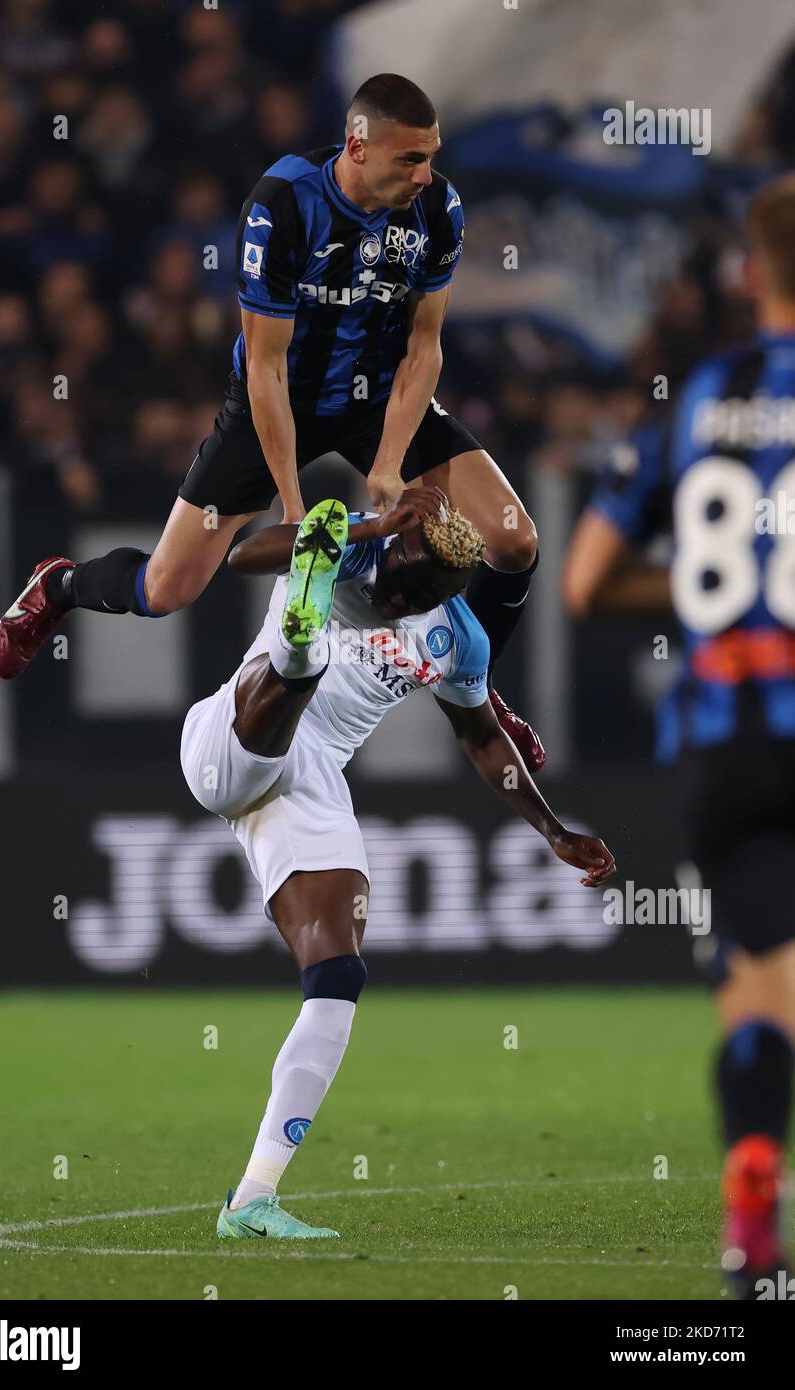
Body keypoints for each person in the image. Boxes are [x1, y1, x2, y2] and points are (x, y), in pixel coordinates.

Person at [0, 72, 543, 767]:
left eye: (431, 155)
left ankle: (481, 697)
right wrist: (291, 501)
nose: (426, 175)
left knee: (515, 540)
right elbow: (267, 368)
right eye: (411, 158)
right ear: (358, 146)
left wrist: (389, 461)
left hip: (377, 400)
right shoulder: (282, 205)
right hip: (279, 402)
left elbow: (424, 344)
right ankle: (61, 584)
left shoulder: (438, 211)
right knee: (166, 590)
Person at [180, 486, 615, 1238]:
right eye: (396, 580)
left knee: (338, 980)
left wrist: (551, 829)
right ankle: (296, 641)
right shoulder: (352, 539)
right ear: (393, 549)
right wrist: (374, 525)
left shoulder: (456, 638)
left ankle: (252, 1198)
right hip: (229, 741)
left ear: (448, 594)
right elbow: (242, 554)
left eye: (418, 597)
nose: (397, 599)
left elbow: (482, 738)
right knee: (300, 664)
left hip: (308, 784)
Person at [561, 172, 795, 1298]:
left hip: (717, 751)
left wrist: (719, 606)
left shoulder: (696, 400)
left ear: (751, 277)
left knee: (757, 993)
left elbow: (584, 581)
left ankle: (750, 1221)